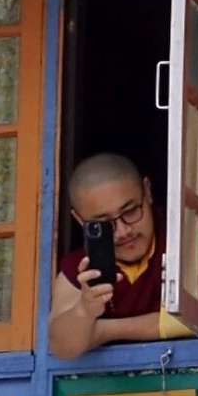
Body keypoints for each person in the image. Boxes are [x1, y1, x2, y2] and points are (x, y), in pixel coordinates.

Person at [48, 153, 164, 360]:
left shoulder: (183, 238)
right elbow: (63, 347)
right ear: (80, 220)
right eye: (104, 224)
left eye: (130, 211)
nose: (123, 232)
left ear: (147, 191)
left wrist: (102, 330)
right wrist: (85, 309)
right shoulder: (81, 269)